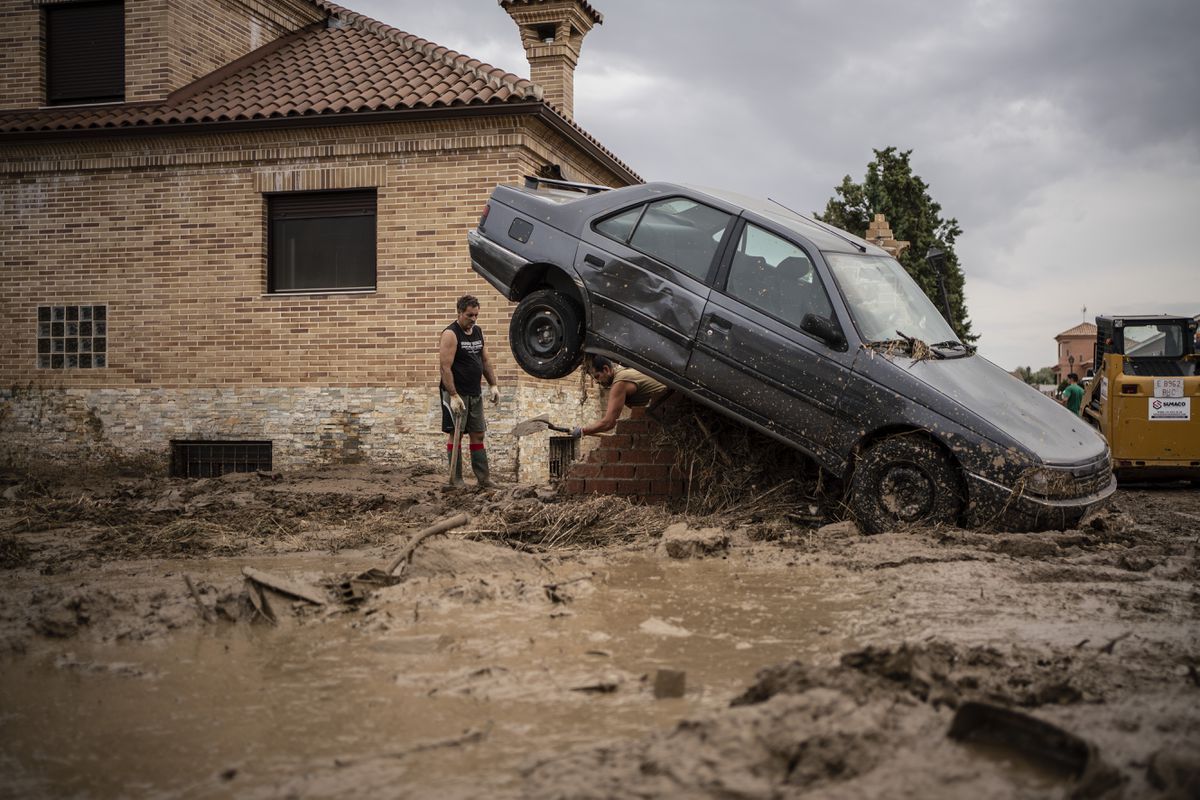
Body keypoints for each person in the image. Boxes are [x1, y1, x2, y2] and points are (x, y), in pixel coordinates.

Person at [439, 295, 500, 487]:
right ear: (460, 313)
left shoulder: (478, 332)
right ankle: (455, 479)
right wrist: (454, 396)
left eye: (476, 315)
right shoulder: (451, 334)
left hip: (475, 392)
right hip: (456, 392)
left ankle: (484, 478)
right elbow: (445, 368)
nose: (473, 319)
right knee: (456, 433)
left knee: (478, 433)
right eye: (469, 315)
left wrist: (493, 385)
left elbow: (485, 361)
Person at [571, 355, 668, 438]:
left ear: (606, 369)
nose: (597, 382)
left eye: (597, 376)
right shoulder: (628, 371)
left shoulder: (620, 382)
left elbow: (608, 423)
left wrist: (582, 431)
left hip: (669, 409)